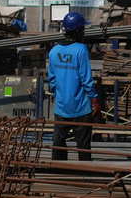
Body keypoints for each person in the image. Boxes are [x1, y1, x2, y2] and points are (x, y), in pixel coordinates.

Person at [47, 11, 101, 161]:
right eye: (83, 29)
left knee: (58, 144)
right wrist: (94, 99)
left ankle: (59, 173)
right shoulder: (81, 50)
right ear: (77, 31)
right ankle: (84, 175)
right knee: (83, 147)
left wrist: (59, 96)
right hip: (81, 108)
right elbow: (86, 79)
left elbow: (52, 79)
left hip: (62, 108)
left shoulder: (54, 51)